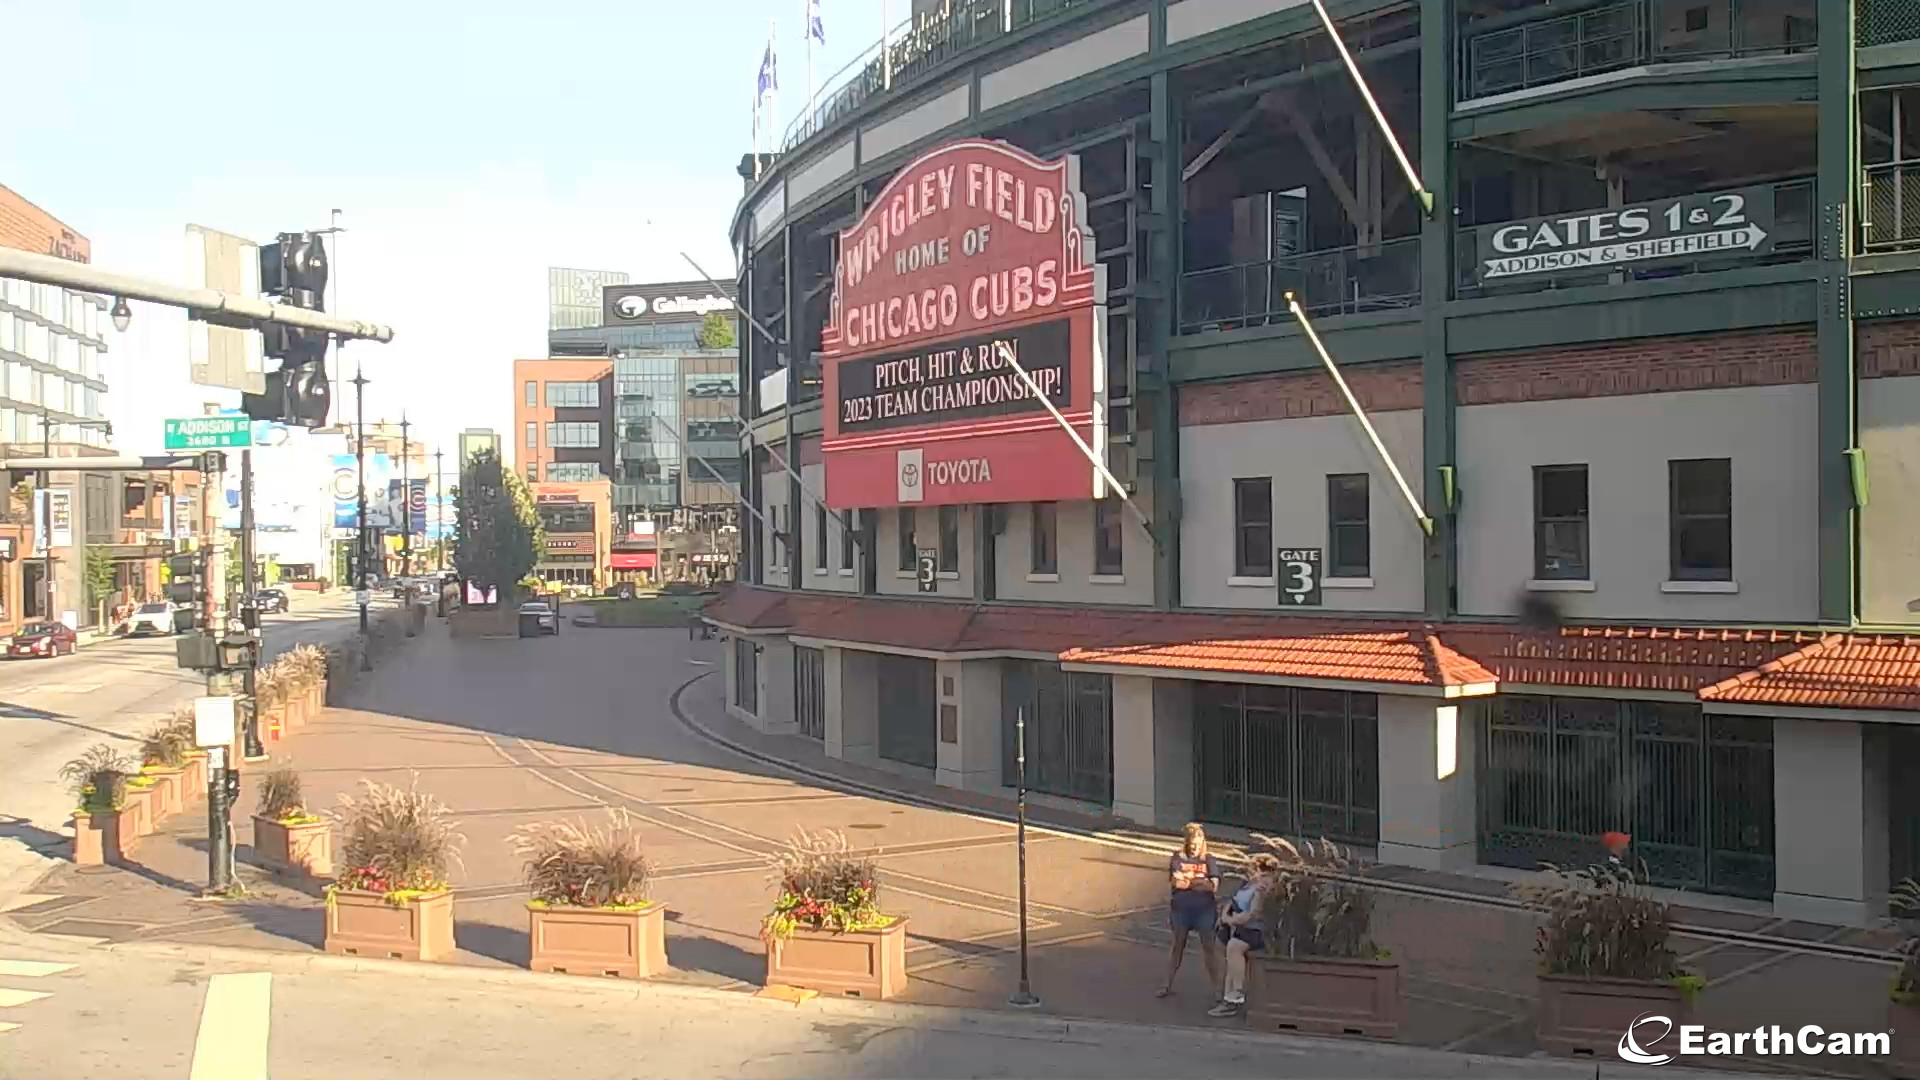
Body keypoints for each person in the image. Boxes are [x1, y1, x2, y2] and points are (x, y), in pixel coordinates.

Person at [1208, 852, 1282, 1018]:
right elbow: (1232, 901)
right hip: (1237, 925)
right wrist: (1226, 916)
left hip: (1255, 930)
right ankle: (1227, 995)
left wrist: (1230, 919)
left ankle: (1236, 994)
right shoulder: (1248, 884)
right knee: (1225, 946)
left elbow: (1253, 913)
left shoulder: (1262, 888)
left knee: (1235, 947)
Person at [1156, 823, 1222, 998]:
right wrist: (1200, 882)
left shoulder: (1209, 859)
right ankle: (1166, 984)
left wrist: (1189, 881)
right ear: (1186, 842)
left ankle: (1217, 989)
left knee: (1209, 948)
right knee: (1177, 946)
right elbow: (1177, 883)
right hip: (1181, 910)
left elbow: (1213, 886)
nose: (1194, 849)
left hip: (1205, 911)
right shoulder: (1177, 857)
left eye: (1197, 845)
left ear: (1203, 843)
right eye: (1191, 845)